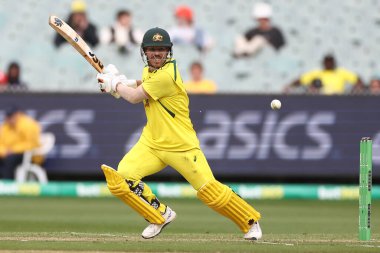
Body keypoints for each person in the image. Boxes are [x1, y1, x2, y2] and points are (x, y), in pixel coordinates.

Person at [96, 27, 262, 240]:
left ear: (169, 52)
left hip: (181, 146)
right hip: (152, 144)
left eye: (161, 49)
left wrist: (115, 84)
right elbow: (141, 86)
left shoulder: (167, 75)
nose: (157, 54)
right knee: (122, 179)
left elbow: (135, 97)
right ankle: (160, 215)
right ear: (144, 52)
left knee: (210, 192)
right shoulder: (150, 72)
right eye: (152, 49)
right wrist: (126, 83)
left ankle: (250, 221)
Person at [285, 54, 364, 95]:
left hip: (338, 99)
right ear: (323, 62)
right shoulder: (317, 73)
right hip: (321, 98)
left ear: (334, 62)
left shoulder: (341, 72)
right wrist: (290, 86)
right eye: (327, 62)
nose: (328, 64)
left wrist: (358, 87)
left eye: (330, 62)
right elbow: (301, 80)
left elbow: (357, 80)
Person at [0, 106, 41, 179]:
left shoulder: (28, 125)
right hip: (8, 153)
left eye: (11, 116)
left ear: (17, 115)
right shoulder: (5, 126)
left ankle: (8, 185)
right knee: (6, 158)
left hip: (27, 154)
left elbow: (31, 144)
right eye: (8, 116)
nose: (9, 119)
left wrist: (13, 150)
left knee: (10, 160)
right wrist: (4, 151)